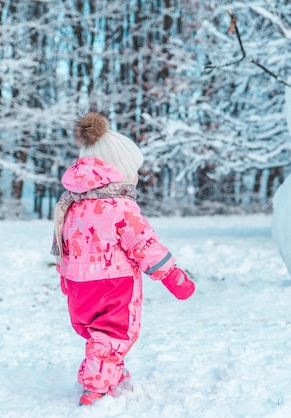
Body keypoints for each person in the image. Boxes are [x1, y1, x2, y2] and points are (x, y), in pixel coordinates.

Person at [51, 112, 195, 406]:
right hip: (113, 287)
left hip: (79, 288)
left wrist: (65, 279)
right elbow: (144, 244)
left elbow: (66, 245)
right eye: (134, 170)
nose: (137, 177)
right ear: (116, 171)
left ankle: (109, 373)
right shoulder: (120, 206)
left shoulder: (71, 205)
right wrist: (171, 275)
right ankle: (95, 388)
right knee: (114, 334)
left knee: (98, 335)